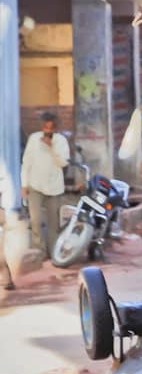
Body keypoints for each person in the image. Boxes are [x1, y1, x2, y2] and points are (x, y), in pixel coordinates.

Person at [21, 112, 70, 262]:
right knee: (35, 221)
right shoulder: (34, 138)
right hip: (35, 185)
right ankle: (39, 252)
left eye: (51, 128)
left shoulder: (61, 141)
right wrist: (24, 185)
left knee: (53, 223)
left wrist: (51, 148)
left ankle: (54, 252)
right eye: (45, 127)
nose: (47, 131)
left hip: (54, 187)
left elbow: (63, 163)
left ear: (55, 129)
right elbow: (26, 163)